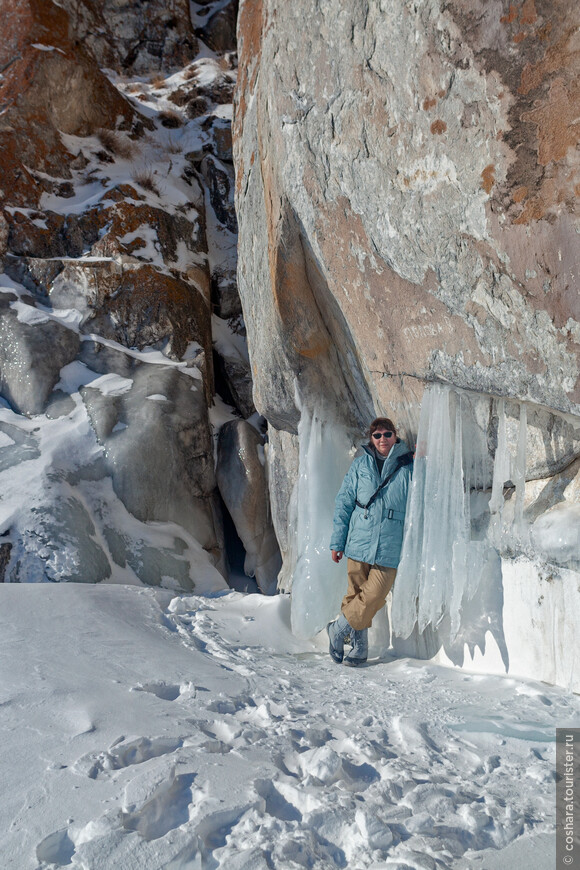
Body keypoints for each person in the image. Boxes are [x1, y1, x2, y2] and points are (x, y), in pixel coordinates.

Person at [328, 417, 413, 666]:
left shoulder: (408, 466)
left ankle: (337, 629)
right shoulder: (361, 465)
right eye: (377, 436)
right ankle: (359, 648)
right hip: (359, 539)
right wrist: (338, 542)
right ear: (371, 439)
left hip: (389, 544)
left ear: (395, 436)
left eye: (387, 434)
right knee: (355, 594)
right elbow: (344, 502)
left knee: (375, 593)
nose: (383, 439)